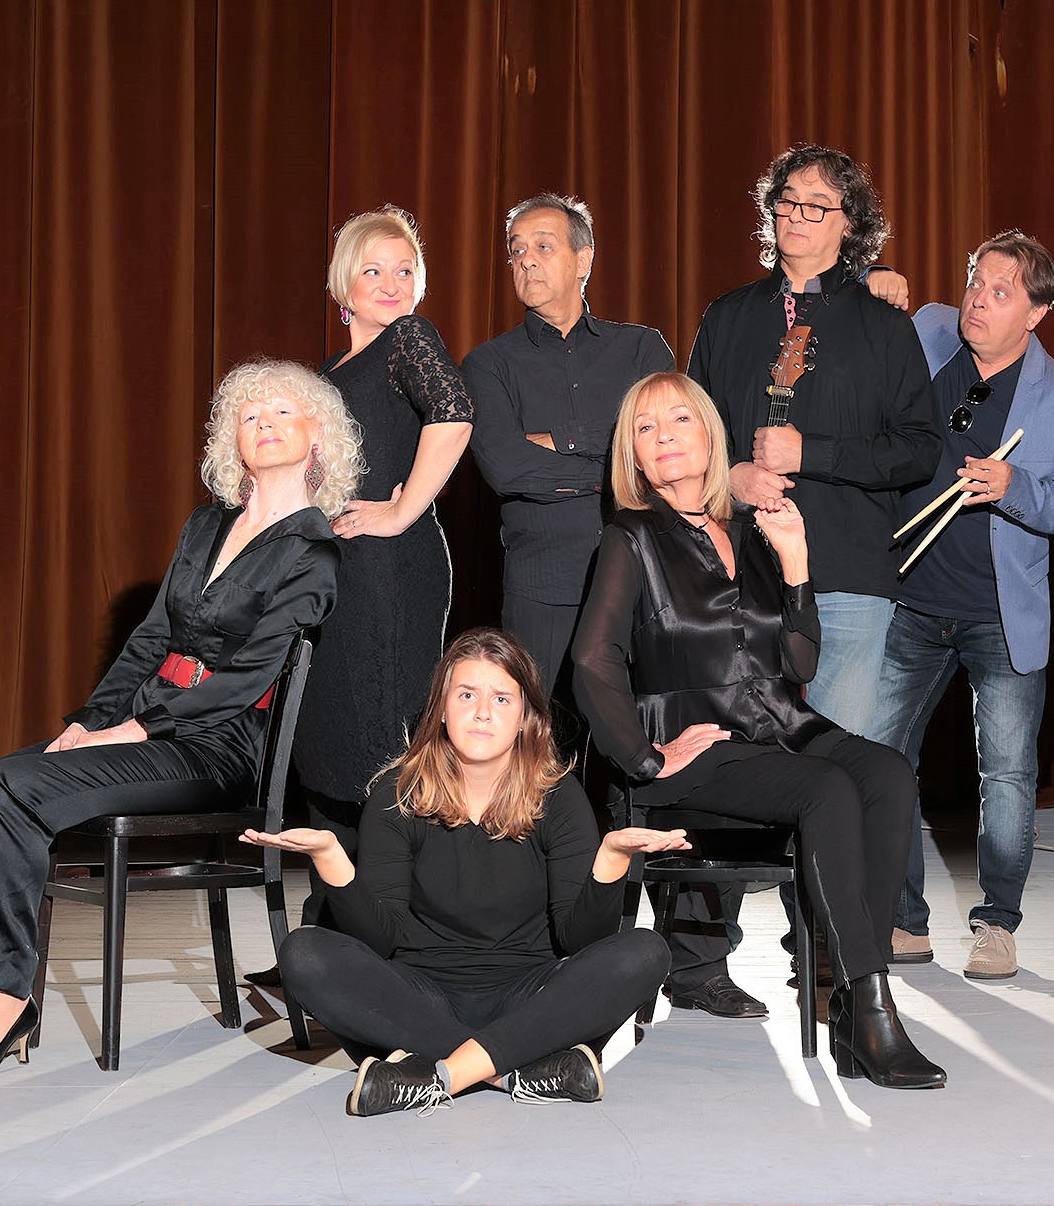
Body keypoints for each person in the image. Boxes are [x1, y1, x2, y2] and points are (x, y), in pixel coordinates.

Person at [0, 359, 352, 1080]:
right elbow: (150, 641)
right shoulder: (205, 526)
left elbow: (246, 678)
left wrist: (137, 728)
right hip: (150, 728)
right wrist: (92, 721)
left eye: (283, 412)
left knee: (9, 789)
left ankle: (3, 995)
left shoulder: (313, 552)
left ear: (318, 437)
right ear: (233, 442)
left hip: (217, 748)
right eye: (250, 415)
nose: (265, 424)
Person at [571, 372, 947, 1090]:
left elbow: (798, 662)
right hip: (694, 744)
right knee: (826, 788)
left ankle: (857, 1001)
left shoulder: (749, 531)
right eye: (646, 428)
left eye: (680, 419)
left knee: (888, 773)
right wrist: (645, 759)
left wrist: (796, 561)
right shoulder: (631, 537)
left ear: (710, 434)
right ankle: (867, 1009)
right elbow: (593, 660)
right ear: (634, 455)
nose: (664, 436)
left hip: (780, 725)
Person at [685, 144, 938, 994]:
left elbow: (919, 448)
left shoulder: (883, 325)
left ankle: (829, 959)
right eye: (786, 200)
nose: (796, 216)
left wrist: (812, 453)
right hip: (734, 580)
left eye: (816, 204)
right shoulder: (729, 316)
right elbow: (688, 432)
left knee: (835, 770)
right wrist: (731, 475)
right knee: (719, 756)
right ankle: (700, 961)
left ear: (850, 222)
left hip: (848, 578)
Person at [252, 628, 677, 1116]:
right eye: (467, 695)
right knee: (304, 952)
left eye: (502, 698)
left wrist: (612, 860)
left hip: (533, 998)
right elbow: (379, 940)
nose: (482, 713)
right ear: (441, 708)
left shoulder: (559, 797)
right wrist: (332, 860)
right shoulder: (397, 794)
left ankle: (438, 1075)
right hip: (419, 1001)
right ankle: (518, 1070)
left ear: (525, 717)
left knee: (645, 951)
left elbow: (580, 941)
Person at [866, 230, 1054, 979]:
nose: (978, 301)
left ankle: (997, 924)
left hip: (1000, 614)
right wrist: (875, 278)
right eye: (976, 282)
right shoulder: (931, 331)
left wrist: (1015, 488)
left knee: (1007, 775)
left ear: (1037, 313)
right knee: (881, 759)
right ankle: (903, 920)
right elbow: (854, 334)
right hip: (910, 597)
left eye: (1001, 292)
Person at [293, 206, 474, 920]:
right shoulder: (326, 373)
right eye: (374, 270)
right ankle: (332, 922)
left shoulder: (408, 339)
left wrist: (402, 511)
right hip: (338, 573)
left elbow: (454, 414)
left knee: (382, 738)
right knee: (329, 735)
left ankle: (392, 922)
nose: (392, 283)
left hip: (391, 568)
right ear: (344, 282)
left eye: (405, 270)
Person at [461, 193, 674, 694]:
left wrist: (561, 440)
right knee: (543, 736)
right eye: (516, 250)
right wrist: (620, 463)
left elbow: (667, 451)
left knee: (649, 731)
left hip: (647, 582)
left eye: (543, 246)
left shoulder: (642, 348)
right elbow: (507, 467)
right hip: (543, 589)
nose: (525, 260)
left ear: (583, 260)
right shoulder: (487, 364)